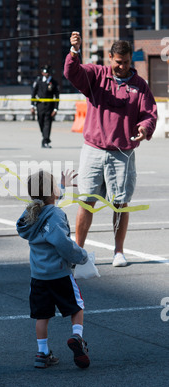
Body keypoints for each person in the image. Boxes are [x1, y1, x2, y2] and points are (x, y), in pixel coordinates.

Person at [64, 32, 157, 267]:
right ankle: (78, 252)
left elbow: (149, 113)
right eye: (118, 62)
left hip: (122, 153)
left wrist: (145, 128)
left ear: (130, 61)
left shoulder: (140, 86)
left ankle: (118, 252)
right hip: (93, 149)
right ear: (110, 58)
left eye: (126, 62)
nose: (122, 67)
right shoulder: (96, 76)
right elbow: (72, 73)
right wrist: (74, 51)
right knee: (86, 201)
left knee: (121, 202)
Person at [16, 169, 90, 369]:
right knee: (77, 306)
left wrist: (62, 187)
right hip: (59, 273)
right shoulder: (56, 214)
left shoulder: (30, 214)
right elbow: (62, 243)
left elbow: (46, 206)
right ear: (52, 192)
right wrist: (82, 256)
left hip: (38, 276)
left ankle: (42, 353)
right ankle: (77, 337)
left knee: (42, 316)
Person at [31, 65, 60, 148]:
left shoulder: (53, 82)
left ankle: (45, 140)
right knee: (41, 122)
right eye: (44, 72)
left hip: (49, 107)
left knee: (47, 123)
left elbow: (57, 96)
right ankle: (45, 137)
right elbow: (33, 94)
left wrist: (55, 109)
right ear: (42, 73)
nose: (46, 74)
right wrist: (32, 106)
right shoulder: (38, 81)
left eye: (47, 73)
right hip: (40, 105)